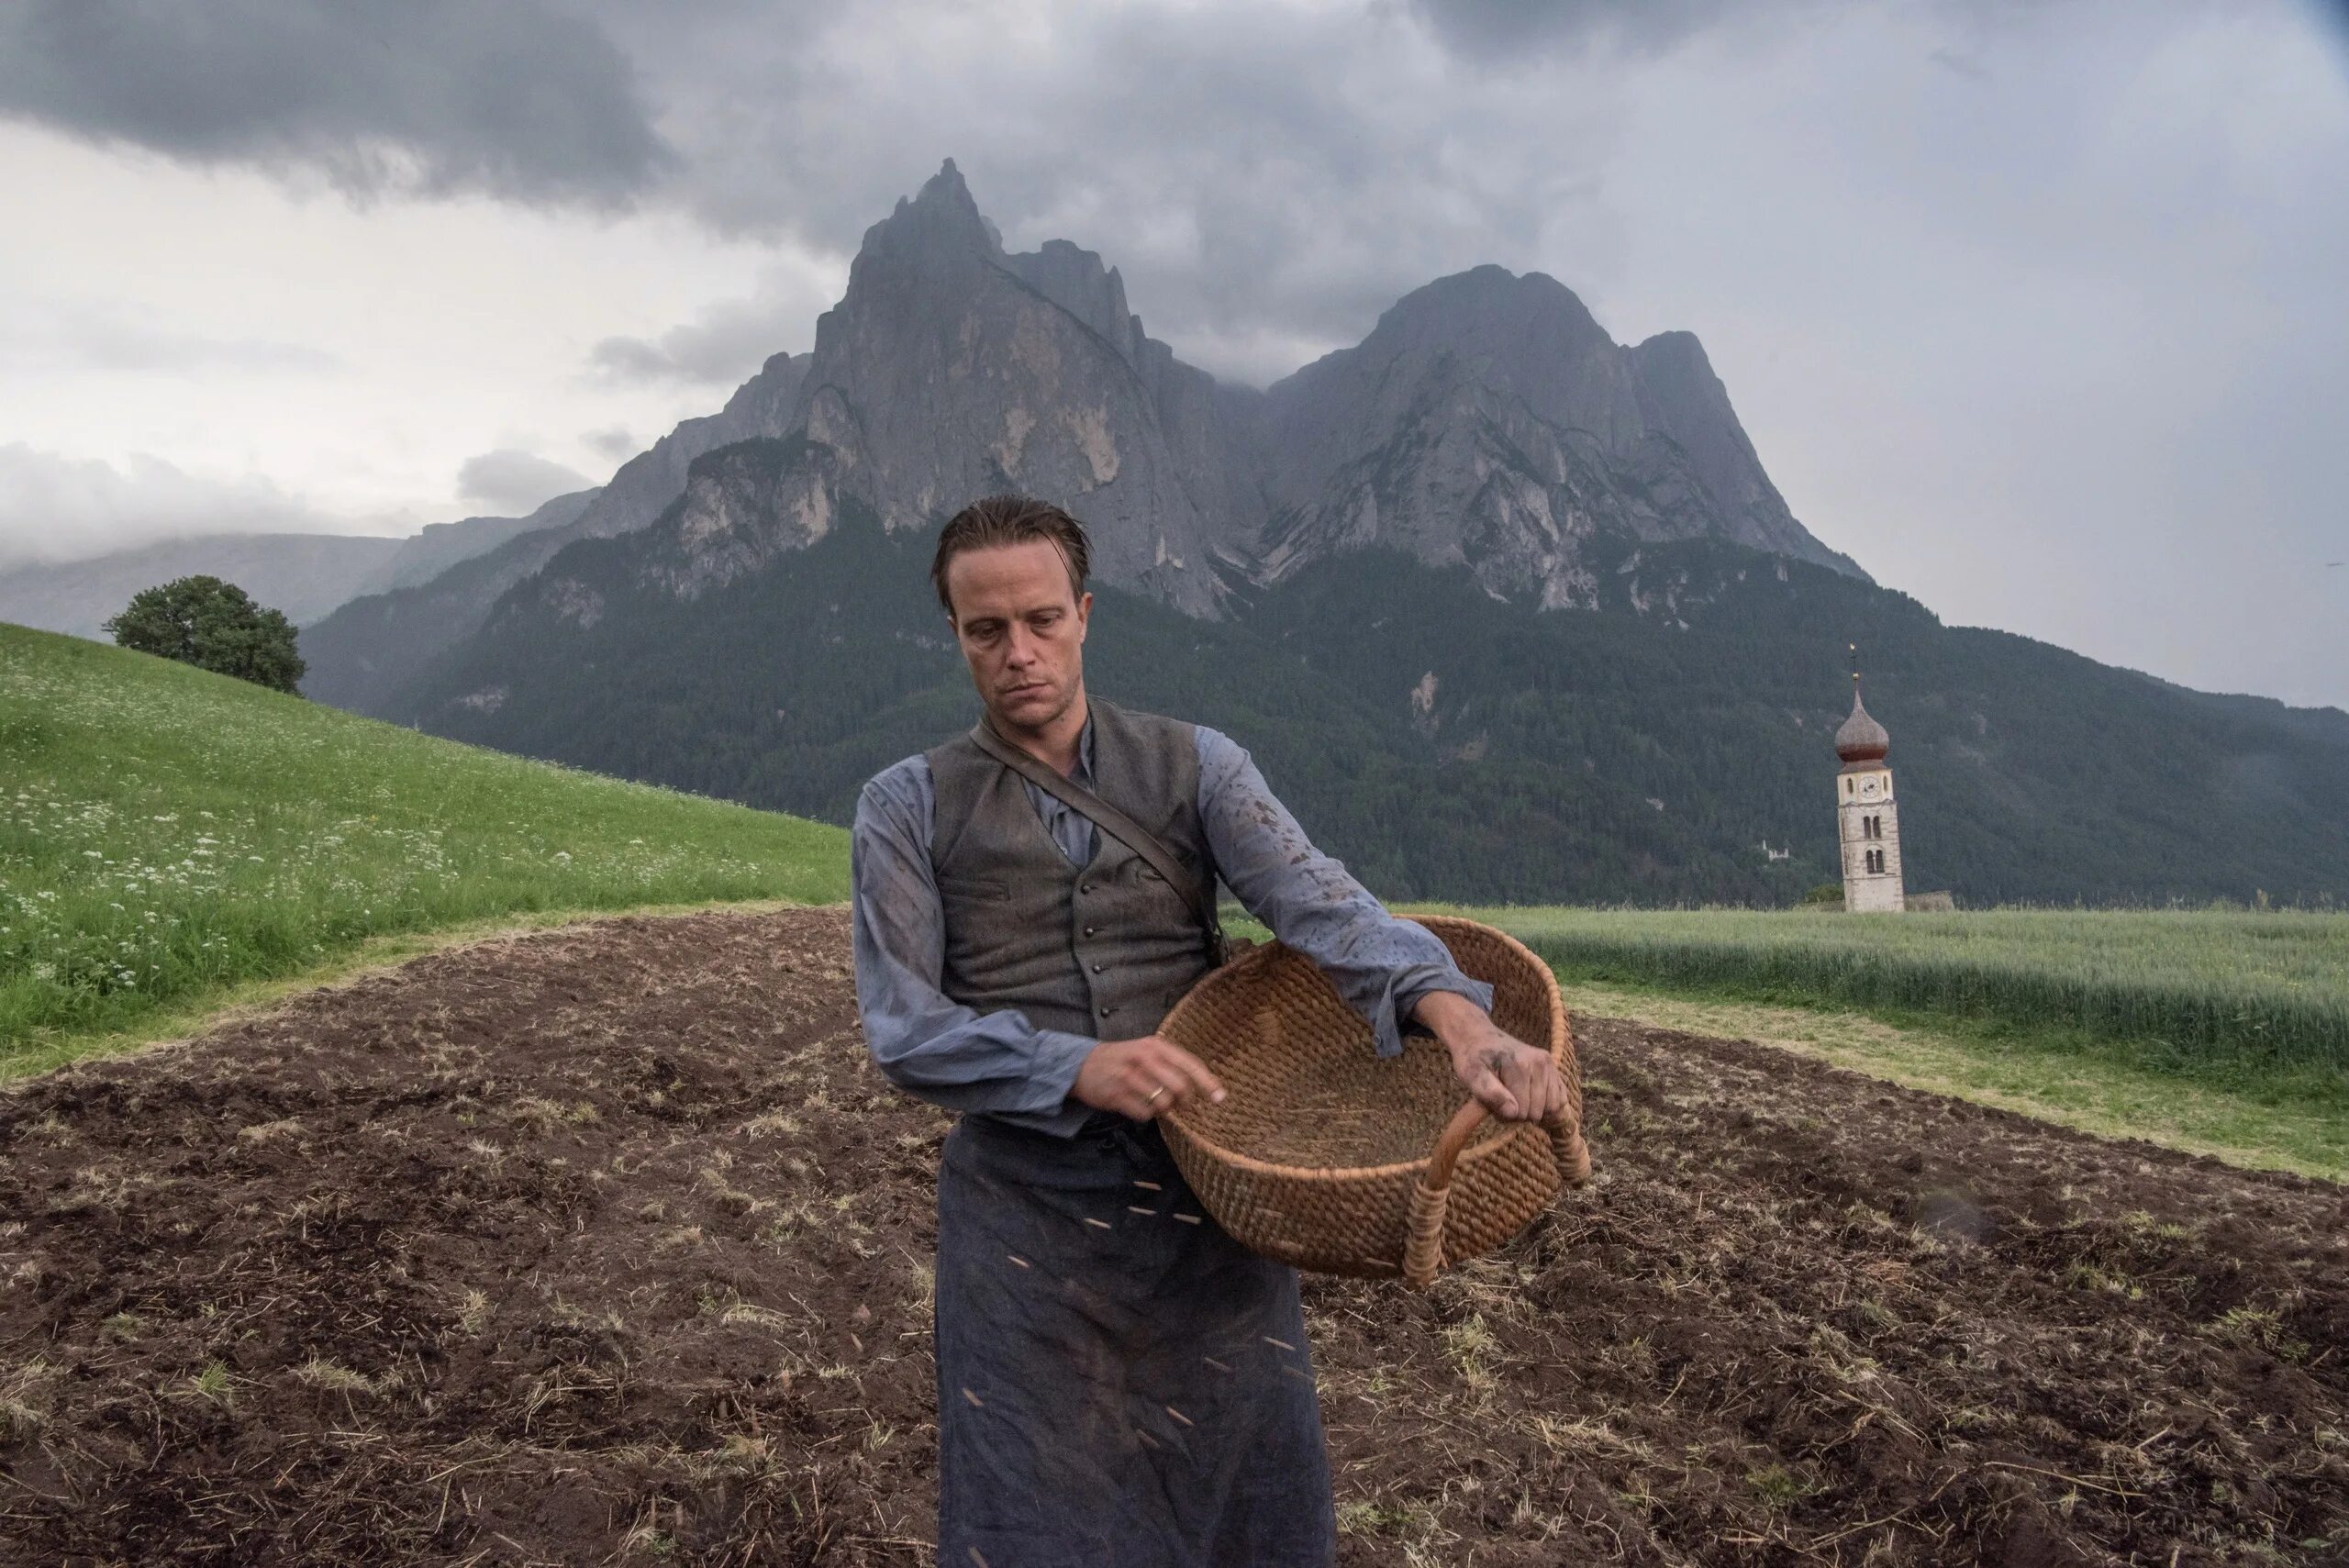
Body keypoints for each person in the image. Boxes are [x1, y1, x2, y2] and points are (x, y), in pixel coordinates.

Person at [851, 494, 1569, 1567]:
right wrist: (1076, 1065)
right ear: (954, 634)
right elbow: (903, 1027)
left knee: (1246, 1508)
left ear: (1085, 613)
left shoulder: (1199, 765)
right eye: (986, 630)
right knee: (1035, 1522)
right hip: (1022, 1231)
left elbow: (1324, 905)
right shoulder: (904, 805)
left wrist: (1462, 1024)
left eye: (1042, 619)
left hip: (1205, 1207)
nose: (1019, 652)